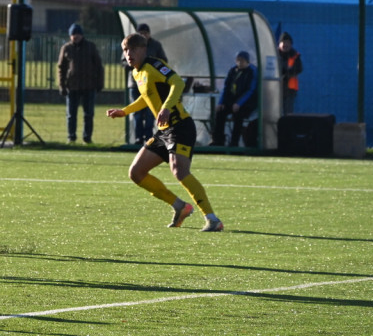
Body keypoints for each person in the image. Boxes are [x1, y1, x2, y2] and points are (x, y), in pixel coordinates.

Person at [106, 32, 224, 232]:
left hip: (181, 125)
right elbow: (146, 97)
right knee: (136, 172)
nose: (129, 54)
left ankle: (212, 219)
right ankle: (180, 206)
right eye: (125, 50)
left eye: (133, 49)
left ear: (144, 49)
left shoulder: (154, 65)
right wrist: (125, 111)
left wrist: (167, 107)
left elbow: (178, 82)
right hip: (163, 131)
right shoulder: (137, 72)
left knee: (179, 171)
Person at [57, 23, 104, 144]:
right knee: (71, 115)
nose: (75, 37)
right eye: (73, 34)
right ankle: (71, 137)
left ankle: (87, 138)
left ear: (82, 35)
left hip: (89, 86)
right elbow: (61, 68)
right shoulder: (66, 48)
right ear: (70, 36)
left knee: (88, 114)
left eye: (77, 34)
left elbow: (99, 66)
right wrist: (62, 85)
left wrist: (99, 83)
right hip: (72, 86)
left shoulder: (90, 47)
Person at [122, 23, 168, 145]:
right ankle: (138, 138)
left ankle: (148, 137)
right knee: (137, 113)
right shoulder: (130, 45)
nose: (143, 35)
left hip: (151, 84)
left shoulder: (155, 45)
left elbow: (164, 61)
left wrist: (150, 66)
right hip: (134, 83)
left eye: (145, 33)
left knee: (150, 112)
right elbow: (123, 62)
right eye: (141, 33)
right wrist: (135, 65)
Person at [210, 51, 259, 147]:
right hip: (232, 103)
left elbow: (250, 90)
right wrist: (221, 102)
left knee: (239, 115)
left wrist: (239, 103)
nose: (240, 63)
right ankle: (218, 141)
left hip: (246, 104)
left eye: (242, 60)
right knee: (220, 113)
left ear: (247, 61)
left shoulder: (252, 72)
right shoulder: (232, 71)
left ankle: (234, 143)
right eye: (238, 60)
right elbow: (226, 88)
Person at [277, 31, 302, 115]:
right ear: (279, 44)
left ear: (291, 44)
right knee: (275, 112)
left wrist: (286, 72)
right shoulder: (274, 55)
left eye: (288, 42)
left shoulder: (295, 55)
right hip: (275, 89)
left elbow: (299, 69)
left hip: (290, 90)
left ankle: (286, 128)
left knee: (288, 113)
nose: (285, 44)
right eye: (283, 42)